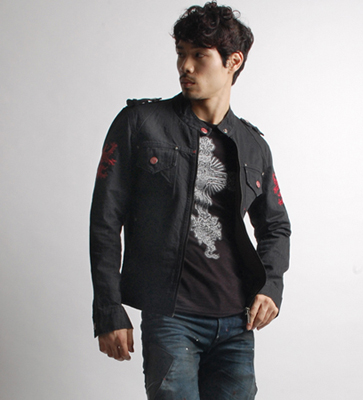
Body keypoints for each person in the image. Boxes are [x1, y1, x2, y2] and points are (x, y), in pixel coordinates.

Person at [90, 2, 291, 399]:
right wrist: (108, 308)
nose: (185, 66)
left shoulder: (253, 145)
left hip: (237, 322)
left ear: (233, 61)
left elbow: (275, 225)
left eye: (199, 55)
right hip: (171, 318)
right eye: (181, 53)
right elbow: (106, 219)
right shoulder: (140, 124)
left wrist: (271, 286)